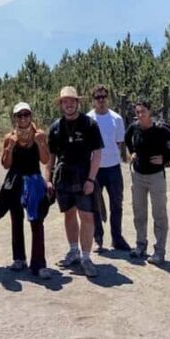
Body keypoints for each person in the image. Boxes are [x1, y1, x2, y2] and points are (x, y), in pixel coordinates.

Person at [47, 86, 103, 277]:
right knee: (69, 214)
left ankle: (86, 258)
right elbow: (50, 158)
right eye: (65, 101)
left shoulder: (89, 124)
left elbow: (97, 154)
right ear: (61, 104)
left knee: (87, 216)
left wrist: (91, 179)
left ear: (78, 103)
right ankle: (73, 251)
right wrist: (48, 181)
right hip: (63, 177)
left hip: (84, 175)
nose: (69, 105)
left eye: (72, 101)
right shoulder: (55, 128)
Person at [0, 102, 52, 279]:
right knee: (16, 219)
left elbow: (45, 160)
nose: (23, 118)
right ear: (15, 118)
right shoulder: (10, 137)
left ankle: (39, 264)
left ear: (31, 116)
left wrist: (41, 145)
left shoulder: (39, 135)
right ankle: (19, 258)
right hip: (16, 180)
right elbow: (6, 164)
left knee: (37, 221)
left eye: (26, 114)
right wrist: (9, 147)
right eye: (19, 115)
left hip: (33, 180)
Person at [125, 99, 170, 266]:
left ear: (149, 112)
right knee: (139, 213)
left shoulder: (159, 129)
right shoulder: (134, 128)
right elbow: (127, 138)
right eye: (137, 112)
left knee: (159, 214)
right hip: (138, 176)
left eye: (143, 111)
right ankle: (140, 246)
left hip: (156, 177)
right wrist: (132, 152)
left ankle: (159, 251)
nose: (140, 115)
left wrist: (165, 158)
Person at [86, 85, 131, 251]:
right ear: (93, 100)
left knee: (116, 204)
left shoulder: (117, 119)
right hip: (94, 169)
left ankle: (117, 238)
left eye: (104, 96)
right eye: (98, 97)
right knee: (95, 205)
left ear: (108, 97)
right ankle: (98, 239)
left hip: (113, 168)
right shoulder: (88, 119)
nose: (101, 100)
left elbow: (118, 142)